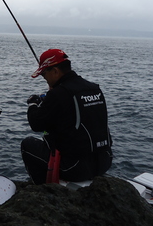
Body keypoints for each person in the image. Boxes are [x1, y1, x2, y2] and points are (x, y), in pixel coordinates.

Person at [21, 49, 113, 185]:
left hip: (75, 168)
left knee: (27, 145)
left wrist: (33, 104)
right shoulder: (94, 88)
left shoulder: (59, 94)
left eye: (44, 74)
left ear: (56, 71)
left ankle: (41, 189)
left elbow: (36, 124)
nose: (44, 78)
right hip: (104, 162)